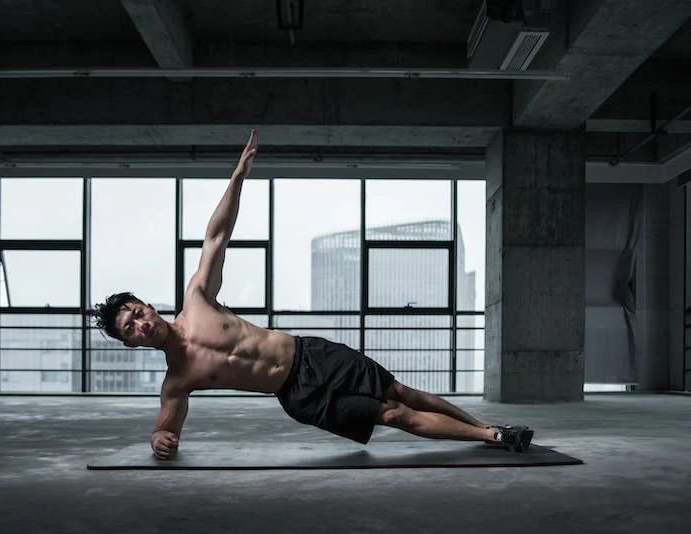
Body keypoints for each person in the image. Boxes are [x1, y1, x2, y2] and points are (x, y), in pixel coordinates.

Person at [92, 130, 534, 459]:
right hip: (299, 395)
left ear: (147, 305)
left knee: (401, 391)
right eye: (130, 329)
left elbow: (216, 237)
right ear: (132, 343)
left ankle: (491, 431)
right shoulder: (178, 380)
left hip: (312, 355)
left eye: (136, 313)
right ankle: (492, 436)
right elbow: (165, 427)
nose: (140, 324)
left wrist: (239, 175)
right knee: (391, 414)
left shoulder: (198, 301)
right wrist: (158, 439)